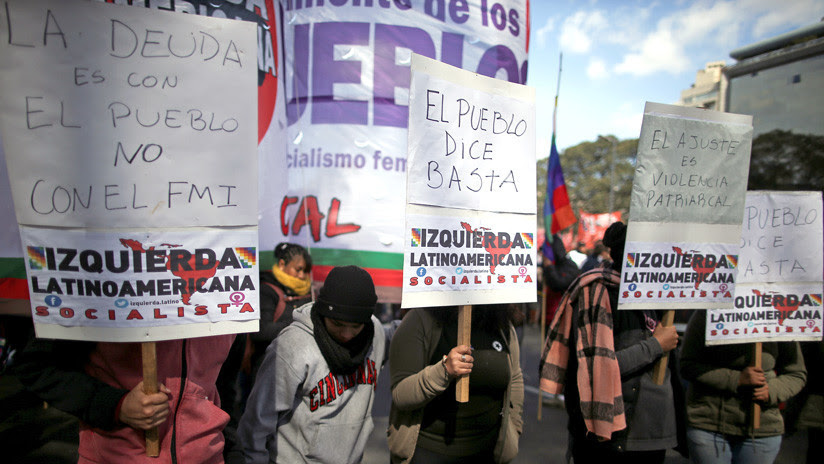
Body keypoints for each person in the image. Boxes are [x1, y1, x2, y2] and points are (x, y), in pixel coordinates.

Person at [540, 222, 685, 464]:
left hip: (651, 435)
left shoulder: (656, 296)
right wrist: (655, 345)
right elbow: (596, 369)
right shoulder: (597, 293)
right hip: (611, 438)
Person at [238, 265, 386, 464]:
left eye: (356, 326)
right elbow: (256, 424)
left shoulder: (375, 332)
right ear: (323, 312)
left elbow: (405, 332)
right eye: (338, 325)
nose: (346, 334)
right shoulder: (292, 346)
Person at [14, 334, 235, 463]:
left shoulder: (231, 288)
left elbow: (225, 382)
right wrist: (116, 405)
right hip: (117, 456)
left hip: (209, 457)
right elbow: (36, 366)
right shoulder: (98, 283)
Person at [387, 304, 524, 464]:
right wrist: (444, 371)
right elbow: (401, 394)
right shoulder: (419, 320)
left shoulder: (501, 324)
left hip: (486, 452)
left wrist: (514, 427)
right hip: (428, 452)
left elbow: (514, 378)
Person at [680, 311, 807, 464]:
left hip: (762, 428)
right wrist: (737, 379)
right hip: (709, 423)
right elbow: (687, 365)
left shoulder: (779, 318)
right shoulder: (708, 313)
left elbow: (796, 373)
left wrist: (771, 391)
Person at [239, 242, 313, 410]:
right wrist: (299, 325)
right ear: (282, 264)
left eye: (306, 271)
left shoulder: (310, 292)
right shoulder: (267, 290)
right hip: (267, 372)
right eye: (298, 269)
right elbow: (261, 331)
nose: (302, 276)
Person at [542, 235, 580, 331]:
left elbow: (560, 284)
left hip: (563, 316)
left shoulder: (569, 266)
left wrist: (549, 268)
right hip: (549, 316)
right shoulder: (549, 266)